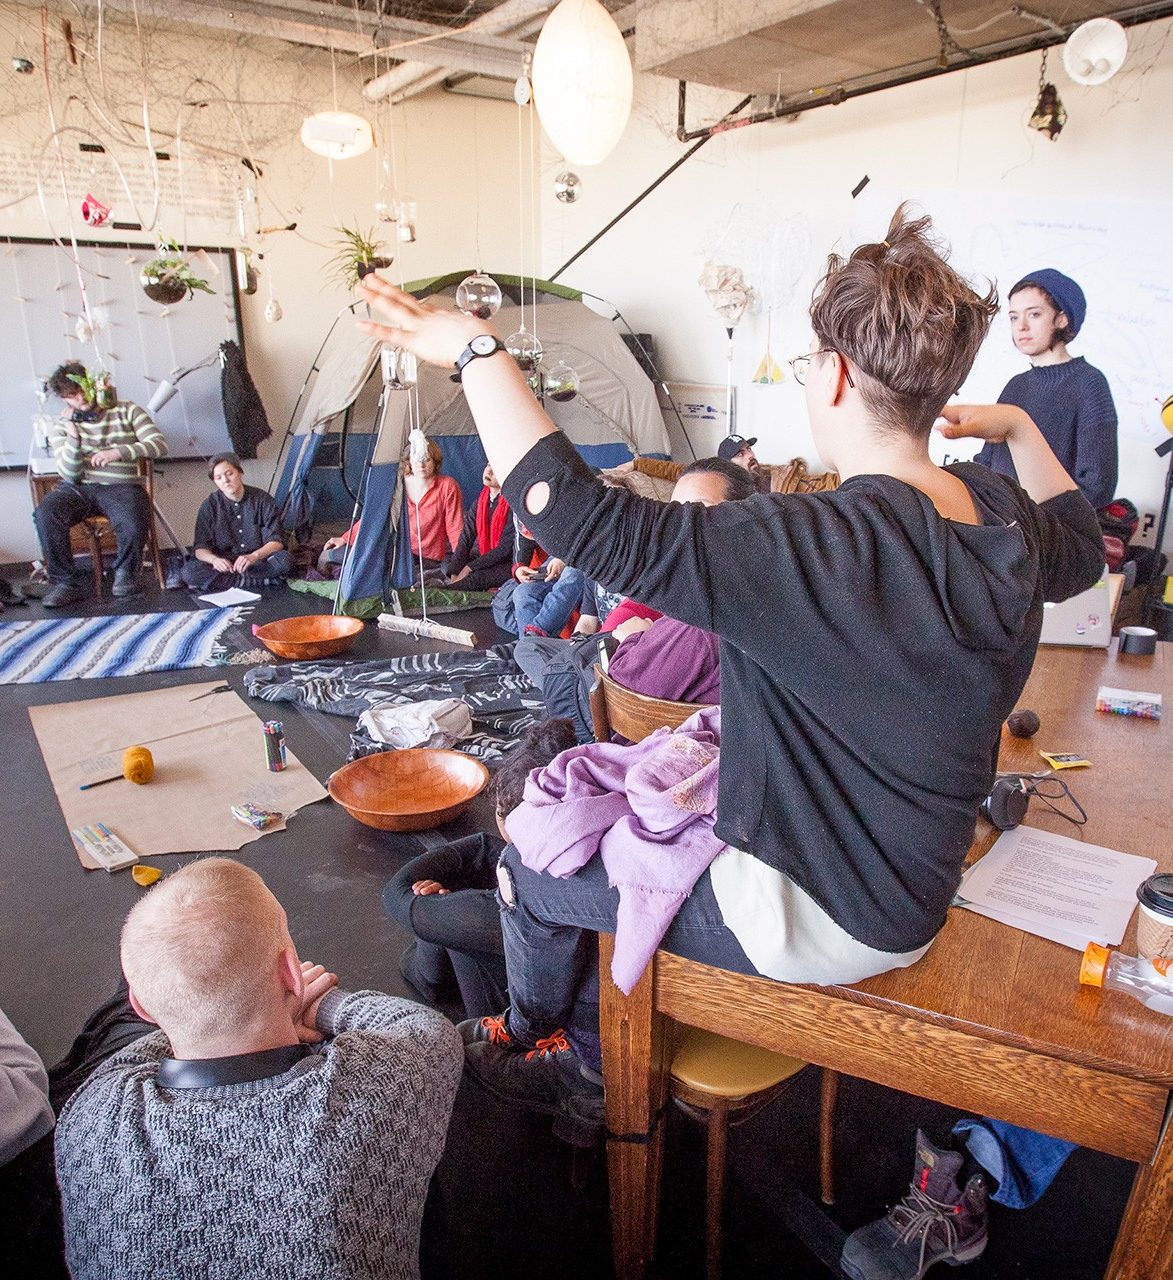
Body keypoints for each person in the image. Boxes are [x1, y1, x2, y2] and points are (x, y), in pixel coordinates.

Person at [356, 207, 1103, 1146]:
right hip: (913, 884)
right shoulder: (998, 511)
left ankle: (574, 1066)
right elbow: (1083, 546)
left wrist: (475, 352)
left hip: (815, 913)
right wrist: (1020, 425)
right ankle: (576, 1039)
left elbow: (568, 513)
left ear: (834, 375)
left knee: (529, 871)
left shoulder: (813, 540)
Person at [54, 857, 462, 1280]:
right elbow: (424, 1028)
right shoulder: (377, 1083)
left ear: (141, 1007)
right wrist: (307, 1007)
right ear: (292, 974)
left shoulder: (89, 1116)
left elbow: (136, 1050)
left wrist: (199, 1013)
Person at [512, 457, 753, 720]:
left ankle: (560, 692)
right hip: (611, 650)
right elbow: (590, 620)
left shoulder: (703, 621)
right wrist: (585, 645)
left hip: (620, 673)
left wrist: (631, 639)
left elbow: (623, 693)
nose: (682, 525)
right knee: (528, 646)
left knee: (556, 677)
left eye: (700, 510)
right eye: (674, 512)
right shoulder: (682, 577)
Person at [382, 718, 579, 1018]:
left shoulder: (508, 905)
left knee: (452, 928)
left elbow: (396, 899)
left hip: (529, 1033)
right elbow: (486, 847)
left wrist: (439, 912)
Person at [974, 269, 1118, 510]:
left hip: (1050, 529)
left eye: (1034, 314)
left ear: (1062, 319)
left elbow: (1097, 487)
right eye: (1014, 317)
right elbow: (986, 462)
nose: (1021, 326)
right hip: (999, 523)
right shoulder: (1016, 385)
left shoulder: (1089, 383)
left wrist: (1038, 521)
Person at [34, 361, 168, 607]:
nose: (80, 399)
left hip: (120, 485)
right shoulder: (61, 426)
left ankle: (126, 574)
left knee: (133, 515)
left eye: (81, 391)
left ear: (93, 384)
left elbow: (159, 444)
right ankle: (66, 583)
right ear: (64, 399)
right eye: (72, 396)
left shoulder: (127, 409)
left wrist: (119, 452)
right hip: (79, 487)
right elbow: (69, 474)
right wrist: (74, 436)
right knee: (46, 513)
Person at [181, 452, 294, 591]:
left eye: (229, 473)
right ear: (215, 481)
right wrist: (215, 560)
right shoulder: (210, 505)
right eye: (218, 477)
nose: (225, 480)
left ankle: (234, 582)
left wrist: (254, 556)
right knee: (189, 572)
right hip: (226, 564)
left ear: (240, 473)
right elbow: (200, 548)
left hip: (257, 561)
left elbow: (276, 542)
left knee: (285, 560)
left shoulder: (262, 500)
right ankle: (259, 581)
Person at [439, 462, 515, 590]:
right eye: (488, 465)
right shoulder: (480, 501)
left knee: (477, 578)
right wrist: (455, 573)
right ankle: (455, 586)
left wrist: (469, 568)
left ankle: (446, 593)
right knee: (448, 563)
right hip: (484, 554)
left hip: (508, 563)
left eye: (495, 469)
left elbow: (504, 550)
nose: (489, 471)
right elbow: (466, 539)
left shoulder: (512, 506)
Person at [402, 436, 463, 571]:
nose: (421, 465)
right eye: (416, 460)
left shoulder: (448, 486)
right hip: (401, 554)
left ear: (435, 462)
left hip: (430, 557)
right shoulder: (399, 485)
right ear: (409, 461)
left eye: (427, 460)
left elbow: (455, 527)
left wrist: (460, 563)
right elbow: (376, 518)